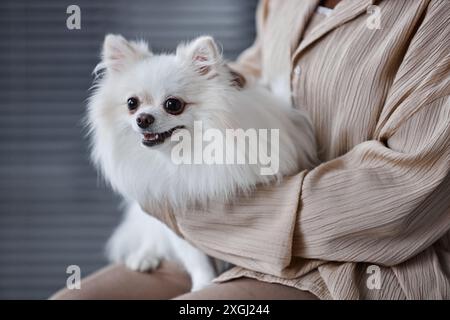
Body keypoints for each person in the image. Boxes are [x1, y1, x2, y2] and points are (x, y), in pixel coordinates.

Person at [52, 0, 450, 300]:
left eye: (170, 106)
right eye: (134, 105)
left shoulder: (434, 14)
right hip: (214, 241)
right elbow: (246, 77)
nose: (144, 117)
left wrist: (201, 217)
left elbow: (405, 195)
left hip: (360, 263)